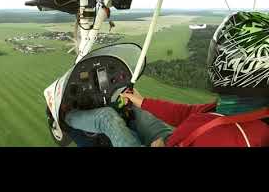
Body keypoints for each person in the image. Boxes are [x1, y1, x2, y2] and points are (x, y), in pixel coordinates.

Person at [65, 11, 269, 147]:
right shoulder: (245, 109)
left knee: (107, 118)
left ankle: (65, 116)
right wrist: (142, 101)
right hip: (177, 139)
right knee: (136, 110)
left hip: (173, 142)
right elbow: (189, 114)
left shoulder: (224, 137)